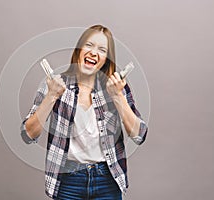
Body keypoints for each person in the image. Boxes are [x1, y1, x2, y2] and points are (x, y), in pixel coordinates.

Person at [20, 24, 148, 200]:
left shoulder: (116, 87)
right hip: (68, 181)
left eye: (102, 49)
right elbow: (27, 135)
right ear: (79, 50)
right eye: (89, 45)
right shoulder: (55, 85)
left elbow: (139, 135)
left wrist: (118, 96)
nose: (94, 53)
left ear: (106, 59)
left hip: (107, 180)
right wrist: (51, 95)